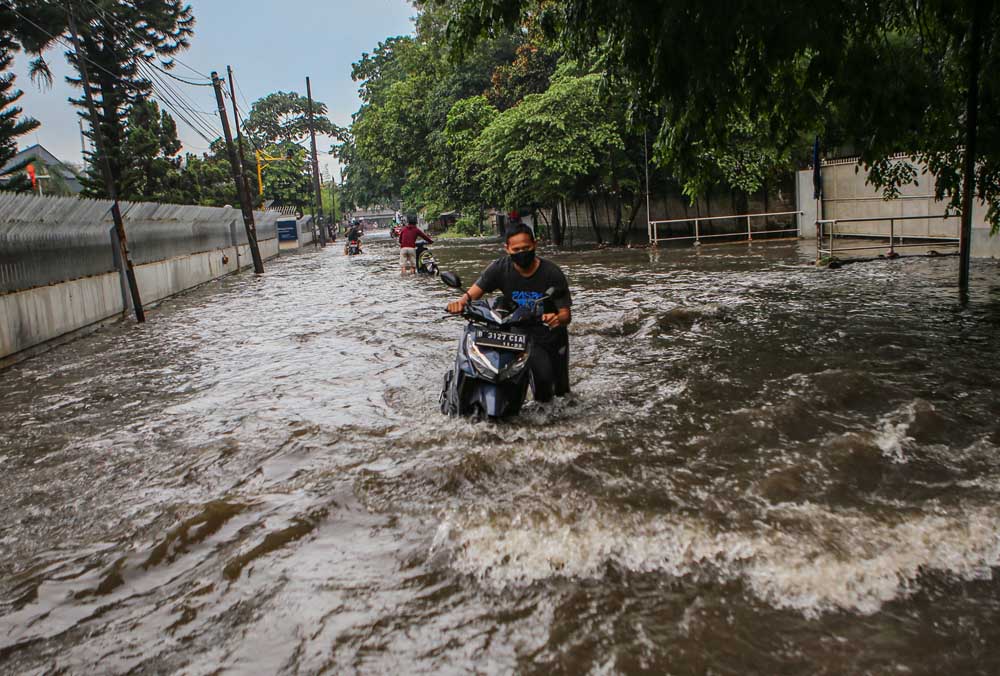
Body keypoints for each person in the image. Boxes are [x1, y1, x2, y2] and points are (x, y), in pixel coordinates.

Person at [446, 219, 572, 401]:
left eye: (526, 248)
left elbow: (566, 314)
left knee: (554, 390)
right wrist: (459, 303)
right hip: (515, 333)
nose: (522, 253)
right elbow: (472, 294)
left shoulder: (552, 273)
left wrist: (557, 318)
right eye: (517, 250)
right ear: (507, 249)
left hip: (548, 335)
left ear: (535, 245)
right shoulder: (499, 268)